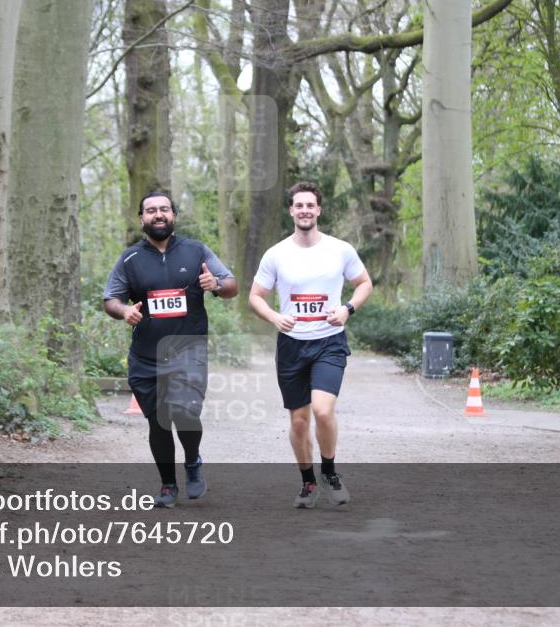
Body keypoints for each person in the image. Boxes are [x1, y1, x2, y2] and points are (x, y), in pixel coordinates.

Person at [104, 190, 238, 508]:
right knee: (158, 421)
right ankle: (167, 485)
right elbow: (111, 298)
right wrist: (125, 312)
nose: (158, 214)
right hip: (146, 355)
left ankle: (192, 461)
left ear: (174, 215)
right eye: (151, 210)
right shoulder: (130, 259)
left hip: (188, 349)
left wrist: (216, 286)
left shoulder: (195, 251)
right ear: (142, 219)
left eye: (164, 209)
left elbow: (230, 284)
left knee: (184, 412)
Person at [248, 182, 373, 508]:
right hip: (291, 345)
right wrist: (275, 317)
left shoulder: (340, 250)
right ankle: (308, 482)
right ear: (291, 210)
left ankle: (329, 472)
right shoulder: (276, 254)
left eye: (310, 205)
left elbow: (364, 283)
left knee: (322, 409)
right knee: (299, 420)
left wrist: (347, 309)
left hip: (328, 342)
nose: (304, 210)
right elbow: (255, 297)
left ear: (318, 210)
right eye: (298, 205)